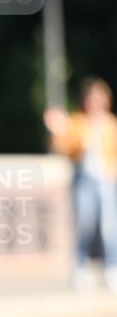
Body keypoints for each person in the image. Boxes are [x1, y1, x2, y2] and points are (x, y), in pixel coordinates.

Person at [44, 77, 117, 293]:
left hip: (105, 182)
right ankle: (81, 269)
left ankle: (111, 269)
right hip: (83, 181)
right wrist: (57, 130)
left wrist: (112, 170)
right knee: (83, 226)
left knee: (109, 228)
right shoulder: (77, 123)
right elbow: (63, 147)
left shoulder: (111, 125)